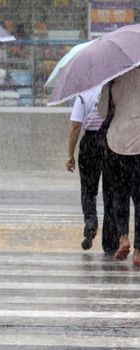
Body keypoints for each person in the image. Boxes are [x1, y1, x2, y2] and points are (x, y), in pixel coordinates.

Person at [66, 85, 118, 254]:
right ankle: (110, 241)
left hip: (89, 143)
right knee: (111, 192)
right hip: (110, 142)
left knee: (88, 190)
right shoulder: (113, 90)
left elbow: (75, 126)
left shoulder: (83, 94)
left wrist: (70, 155)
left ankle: (90, 223)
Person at [98, 68, 140, 266]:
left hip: (118, 141)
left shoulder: (113, 77)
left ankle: (123, 237)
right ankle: (139, 250)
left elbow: (102, 112)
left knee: (120, 193)